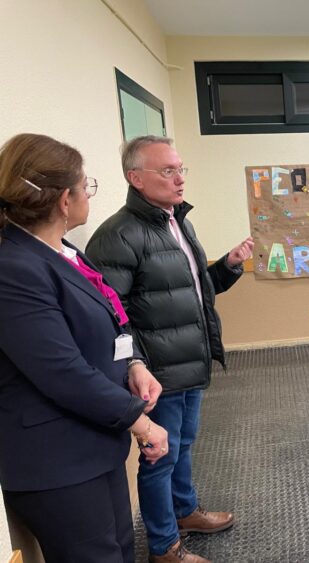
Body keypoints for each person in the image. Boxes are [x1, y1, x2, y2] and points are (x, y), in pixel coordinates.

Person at [0, 133, 169, 563]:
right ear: (64, 200)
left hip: (95, 442)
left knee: (119, 548)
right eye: (85, 184)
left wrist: (133, 363)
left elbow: (110, 320)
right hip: (56, 461)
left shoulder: (63, 252)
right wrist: (142, 424)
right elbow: (62, 371)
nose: (87, 194)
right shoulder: (15, 268)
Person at [86, 135, 254, 563]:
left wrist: (228, 266)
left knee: (182, 445)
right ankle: (164, 547)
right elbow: (110, 314)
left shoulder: (177, 221)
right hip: (157, 374)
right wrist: (137, 365)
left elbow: (191, 293)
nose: (180, 179)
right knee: (159, 457)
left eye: (181, 169)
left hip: (188, 364)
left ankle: (184, 512)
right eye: (168, 171)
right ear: (135, 177)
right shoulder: (117, 236)